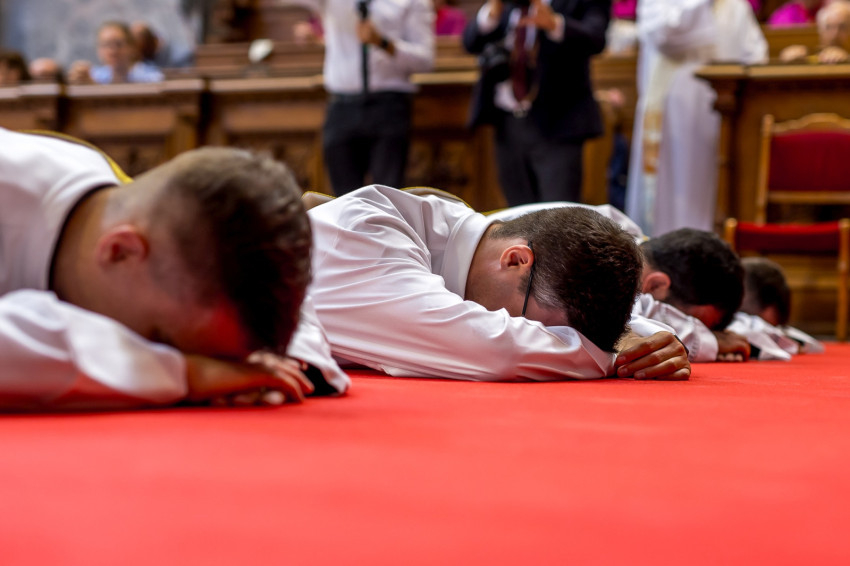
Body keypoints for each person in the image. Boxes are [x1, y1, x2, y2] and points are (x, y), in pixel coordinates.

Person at [0, 127, 348, 411]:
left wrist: (272, 363)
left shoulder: (132, 217)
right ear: (119, 251)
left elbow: (269, 285)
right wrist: (181, 372)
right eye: (161, 341)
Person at [305, 185, 690, 382]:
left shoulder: (465, 236)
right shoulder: (363, 238)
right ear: (516, 259)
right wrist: (615, 357)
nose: (535, 334)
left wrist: (645, 337)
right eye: (537, 328)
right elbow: (493, 348)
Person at [625, 0, 767, 237]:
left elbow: (754, 53)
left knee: (711, 182)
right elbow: (662, 35)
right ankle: (665, 246)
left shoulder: (734, 4)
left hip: (722, 109)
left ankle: (708, 245)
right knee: (672, 187)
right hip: (673, 109)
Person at [463, 0, 610, 206]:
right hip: (507, 123)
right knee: (518, 213)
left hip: (559, 123)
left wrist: (555, 24)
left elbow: (596, 38)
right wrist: (492, 13)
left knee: (558, 214)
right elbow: (471, 42)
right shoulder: (506, 4)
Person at [284, 0, 435, 195]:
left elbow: (425, 61)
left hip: (389, 105)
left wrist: (384, 43)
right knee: (342, 198)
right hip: (342, 106)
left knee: (388, 196)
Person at [69, 21, 164, 85]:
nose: (113, 50)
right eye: (106, 45)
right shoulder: (95, 75)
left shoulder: (150, 76)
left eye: (118, 44)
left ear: (132, 47)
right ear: (98, 50)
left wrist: (95, 87)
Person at [779, 0, 850, 63]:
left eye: (842, 27)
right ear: (820, 31)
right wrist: (789, 55)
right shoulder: (812, 54)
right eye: (828, 27)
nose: (834, 34)